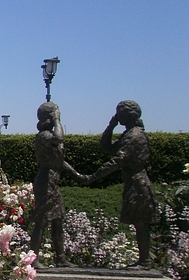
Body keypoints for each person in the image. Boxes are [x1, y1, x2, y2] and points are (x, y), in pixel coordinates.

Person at [77, 100, 158, 270]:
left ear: (128, 114)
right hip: (133, 182)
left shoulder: (134, 136)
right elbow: (106, 147)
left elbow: (117, 161)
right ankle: (143, 261)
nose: (117, 115)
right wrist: (111, 126)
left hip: (138, 183)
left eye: (119, 112)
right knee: (139, 222)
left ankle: (145, 262)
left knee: (141, 223)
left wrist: (92, 177)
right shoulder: (129, 134)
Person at [30, 102, 79, 268]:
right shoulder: (44, 136)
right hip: (45, 181)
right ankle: (33, 259)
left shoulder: (49, 137)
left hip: (53, 181)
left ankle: (60, 258)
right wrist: (57, 120)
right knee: (42, 220)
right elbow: (59, 137)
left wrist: (78, 175)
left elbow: (59, 161)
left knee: (57, 219)